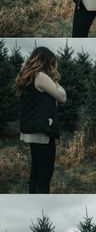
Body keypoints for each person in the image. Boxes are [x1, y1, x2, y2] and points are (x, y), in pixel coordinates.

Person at [15, 47, 66, 194]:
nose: (52, 66)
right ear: (45, 61)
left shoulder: (27, 76)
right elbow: (62, 97)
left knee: (36, 168)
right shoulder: (41, 77)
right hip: (42, 131)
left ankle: (32, 195)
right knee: (46, 173)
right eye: (51, 63)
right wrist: (54, 81)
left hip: (31, 129)